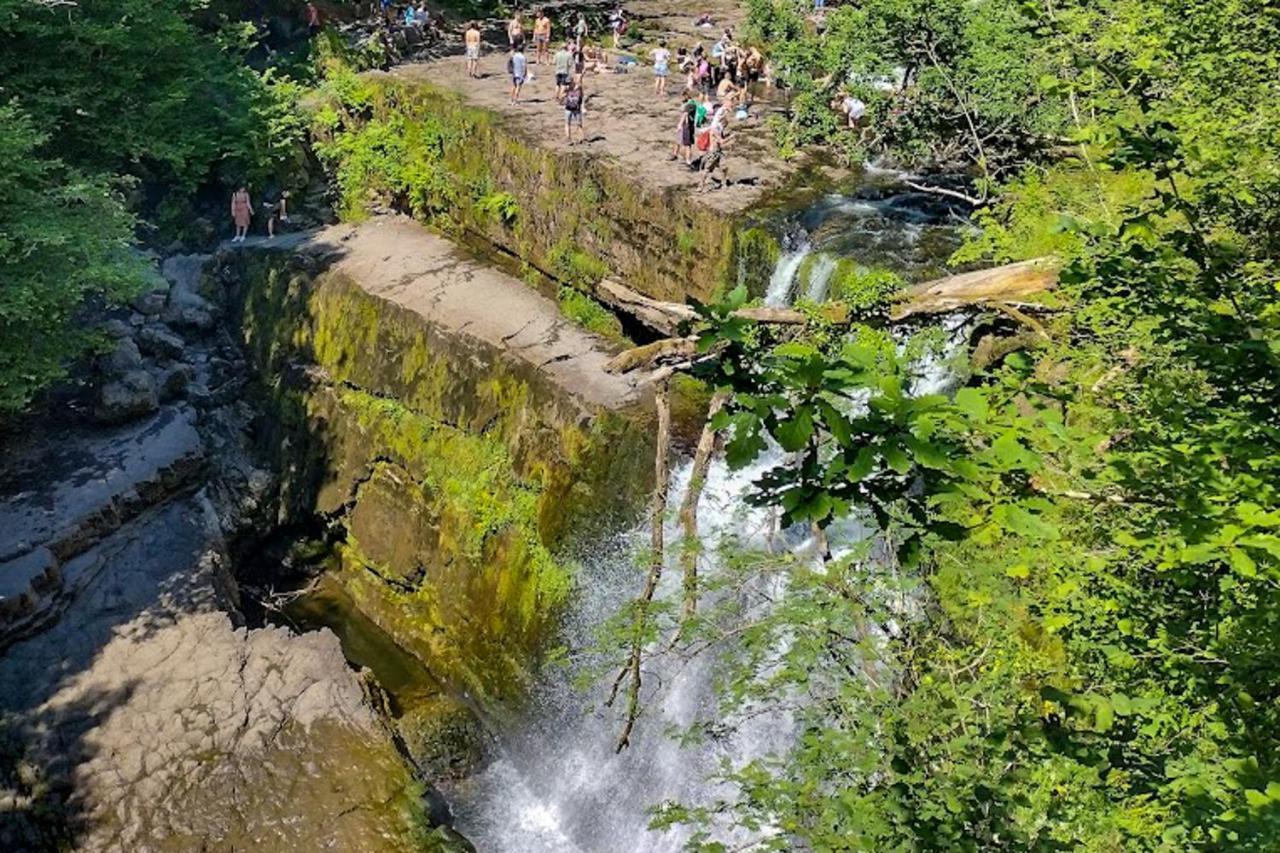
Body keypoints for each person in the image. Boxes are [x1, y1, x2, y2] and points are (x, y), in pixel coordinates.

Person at [697, 121, 728, 192]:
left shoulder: (718, 131)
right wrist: (731, 137)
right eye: (724, 125)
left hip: (719, 152)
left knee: (724, 168)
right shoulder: (714, 131)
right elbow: (721, 141)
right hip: (713, 153)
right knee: (707, 169)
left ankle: (724, 183)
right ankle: (700, 186)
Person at [563, 76, 586, 144]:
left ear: (573, 81)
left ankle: (582, 138)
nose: (568, 85)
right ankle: (568, 138)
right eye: (567, 83)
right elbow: (562, 96)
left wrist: (582, 105)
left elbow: (582, 95)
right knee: (567, 123)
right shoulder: (567, 88)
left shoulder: (578, 87)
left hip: (576, 108)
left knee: (579, 124)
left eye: (569, 83)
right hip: (568, 108)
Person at [672, 99, 695, 165]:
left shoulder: (691, 104)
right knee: (680, 142)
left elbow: (685, 114)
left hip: (686, 126)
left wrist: (680, 124)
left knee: (686, 144)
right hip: (687, 126)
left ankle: (687, 159)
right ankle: (676, 155)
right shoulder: (692, 104)